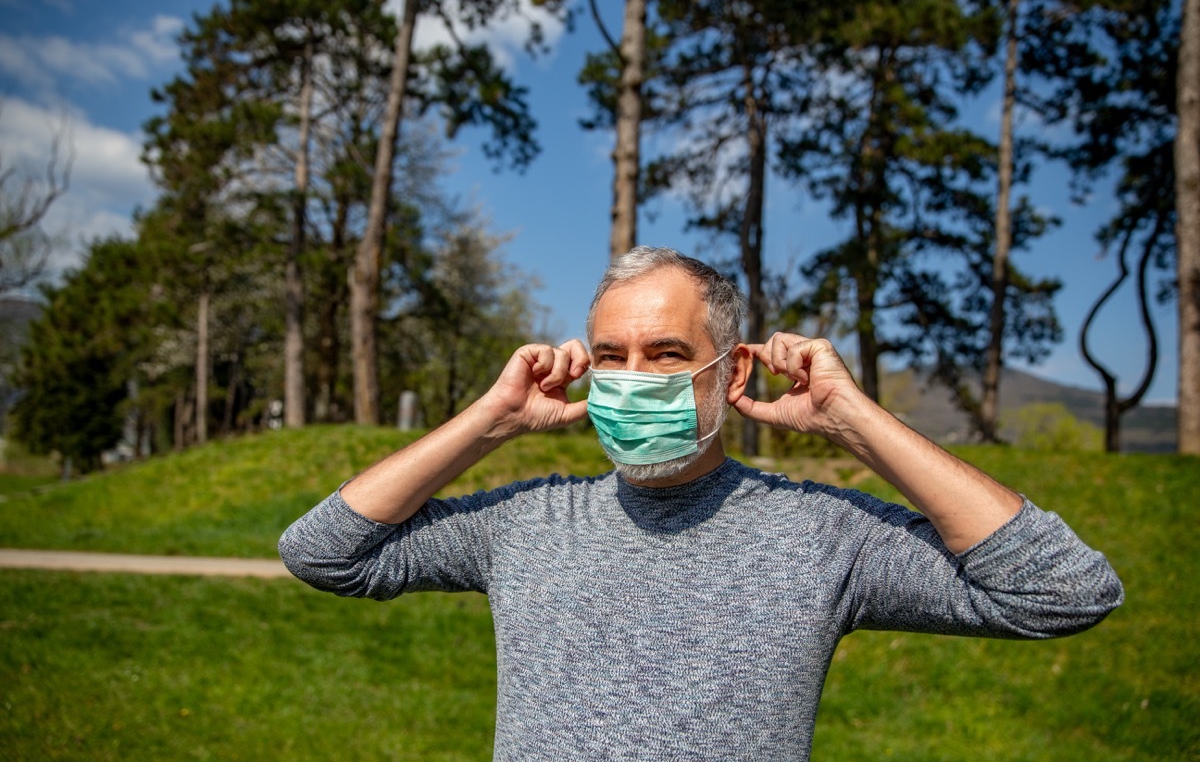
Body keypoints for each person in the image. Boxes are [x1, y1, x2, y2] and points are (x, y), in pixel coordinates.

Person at [279, 246, 1122, 761]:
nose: (635, 379)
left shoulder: (821, 537)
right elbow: (323, 552)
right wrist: (488, 422)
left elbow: (1061, 592)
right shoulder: (524, 525)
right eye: (612, 356)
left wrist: (853, 421)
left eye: (668, 352)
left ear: (733, 371)